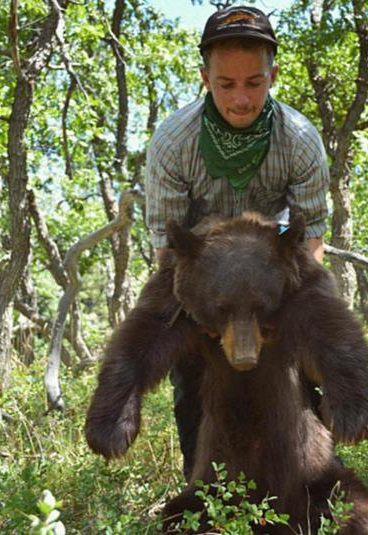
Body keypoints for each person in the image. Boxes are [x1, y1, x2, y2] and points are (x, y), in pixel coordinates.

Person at [145, 6, 330, 479]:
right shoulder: (172, 144)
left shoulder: (301, 140)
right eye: (226, 84)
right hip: (204, 283)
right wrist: (202, 315)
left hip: (277, 273)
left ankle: (312, 482)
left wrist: (285, 317)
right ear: (205, 77)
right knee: (193, 375)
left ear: (274, 75)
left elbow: (309, 238)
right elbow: (170, 251)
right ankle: (204, 495)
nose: (242, 98)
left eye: (254, 82)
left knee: (313, 364)